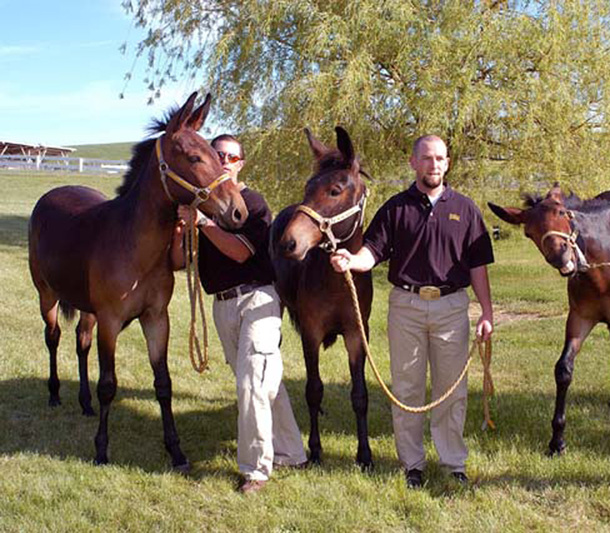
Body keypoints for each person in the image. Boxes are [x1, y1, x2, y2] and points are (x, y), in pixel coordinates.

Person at [330, 134, 494, 488]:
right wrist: (351, 260)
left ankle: (453, 462)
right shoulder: (395, 208)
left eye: (439, 159)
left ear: (447, 163)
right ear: (413, 162)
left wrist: (487, 312)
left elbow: (479, 266)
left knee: (452, 389)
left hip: (451, 308)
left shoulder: (466, 209)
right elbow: (372, 252)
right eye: (426, 158)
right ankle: (412, 465)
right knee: (407, 389)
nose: (433, 165)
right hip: (406, 306)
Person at [171, 134, 307, 494]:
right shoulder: (206, 205)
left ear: (241, 163)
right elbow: (177, 261)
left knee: (251, 384)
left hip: (258, 299)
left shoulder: (253, 203)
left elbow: (241, 253)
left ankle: (256, 470)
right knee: (263, 383)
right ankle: (292, 452)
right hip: (222, 306)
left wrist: (203, 224)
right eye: (219, 155)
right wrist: (181, 228)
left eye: (232, 156)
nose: (226, 160)